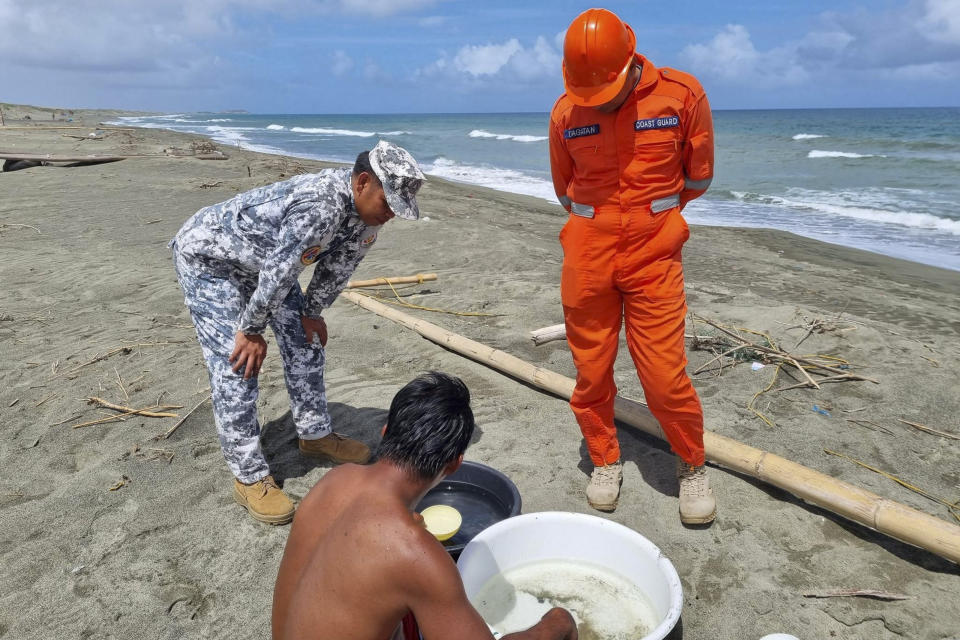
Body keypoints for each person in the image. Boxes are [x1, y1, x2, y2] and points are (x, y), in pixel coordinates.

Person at [170, 140, 426, 525]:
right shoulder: (318, 206)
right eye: (388, 203)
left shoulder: (367, 221)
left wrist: (312, 312)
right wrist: (251, 330)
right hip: (212, 259)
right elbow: (280, 271)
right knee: (237, 364)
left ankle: (314, 434)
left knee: (306, 344)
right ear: (362, 183)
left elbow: (336, 270)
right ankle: (249, 475)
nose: (390, 214)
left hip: (266, 266)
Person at [548, 8, 716, 522]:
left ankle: (692, 463)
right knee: (590, 371)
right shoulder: (564, 113)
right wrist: (604, 226)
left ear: (630, 61)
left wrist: (647, 222)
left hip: (654, 255)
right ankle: (604, 459)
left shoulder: (683, 96)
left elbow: (698, 177)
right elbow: (564, 190)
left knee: (665, 376)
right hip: (588, 255)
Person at [272, 371, 578, 640]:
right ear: (455, 464)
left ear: (384, 431)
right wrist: (555, 624)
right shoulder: (415, 555)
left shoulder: (335, 480)